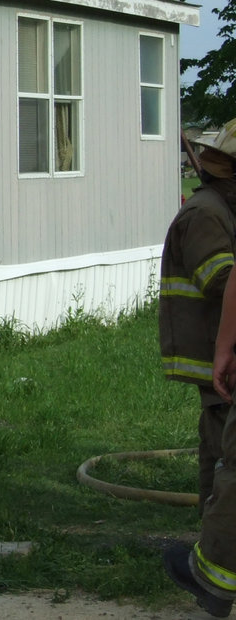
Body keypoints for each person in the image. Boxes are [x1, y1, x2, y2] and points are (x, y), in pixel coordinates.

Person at [164, 119, 236, 618]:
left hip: (224, 367)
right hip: (219, 371)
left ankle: (214, 567)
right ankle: (213, 565)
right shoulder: (207, 216)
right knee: (221, 463)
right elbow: (223, 280)